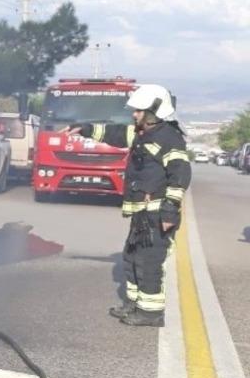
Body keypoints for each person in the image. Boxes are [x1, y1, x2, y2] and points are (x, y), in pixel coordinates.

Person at [70, 84, 190, 327]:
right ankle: (134, 304)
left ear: (154, 111)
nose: (134, 115)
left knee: (149, 262)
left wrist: (169, 209)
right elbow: (115, 134)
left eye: (139, 111)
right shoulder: (143, 133)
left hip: (156, 213)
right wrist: (86, 129)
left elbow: (180, 176)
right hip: (142, 213)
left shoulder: (170, 139)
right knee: (132, 257)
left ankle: (150, 313)